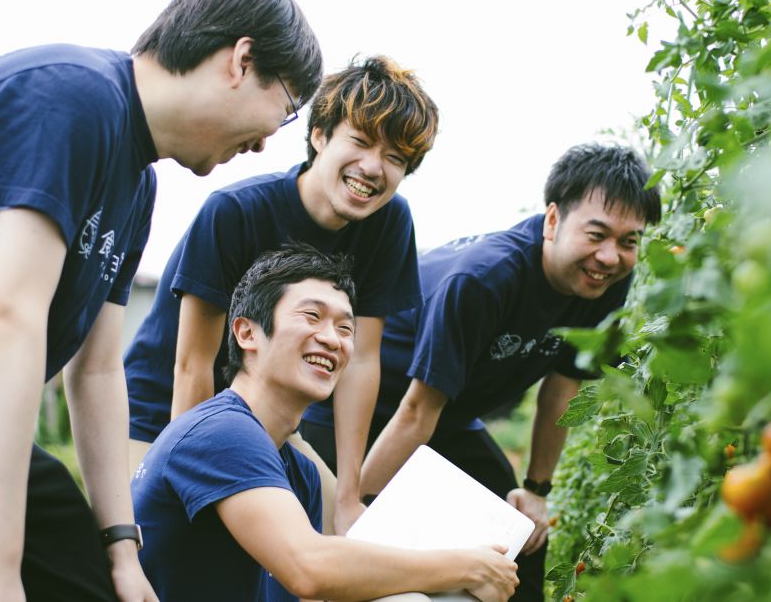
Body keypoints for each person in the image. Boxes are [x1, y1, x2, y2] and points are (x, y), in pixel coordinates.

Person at [0, 0, 321, 600]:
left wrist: (122, 551)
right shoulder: (73, 97)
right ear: (241, 60)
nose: (265, 143)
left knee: (85, 581)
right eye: (282, 114)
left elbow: (95, 370)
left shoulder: (137, 183)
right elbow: (10, 315)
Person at [300, 143, 663, 601]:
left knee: (519, 534)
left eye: (629, 242)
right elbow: (414, 413)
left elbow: (562, 386)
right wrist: (357, 510)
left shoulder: (604, 283)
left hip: (445, 415)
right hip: (367, 412)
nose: (610, 257)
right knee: (351, 553)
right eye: (597, 234)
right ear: (553, 221)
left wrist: (536, 490)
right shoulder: (484, 279)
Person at [125, 54, 438, 534]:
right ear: (319, 136)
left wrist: (350, 496)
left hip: (268, 420)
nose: (373, 168)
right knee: (175, 553)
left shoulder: (390, 223)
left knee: (345, 537)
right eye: (359, 142)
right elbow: (192, 364)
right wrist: (194, 486)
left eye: (395, 158)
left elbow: (360, 360)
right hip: (162, 414)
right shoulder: (234, 212)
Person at [132, 245, 518, 601]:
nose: (333, 340)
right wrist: (468, 566)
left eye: (346, 328)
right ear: (247, 332)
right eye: (312, 316)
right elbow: (308, 567)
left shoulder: (299, 472)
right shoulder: (221, 431)